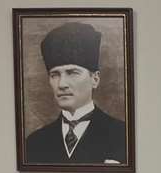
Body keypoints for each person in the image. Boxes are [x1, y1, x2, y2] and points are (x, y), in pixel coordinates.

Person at [24, 21, 127, 164]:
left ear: (95, 79)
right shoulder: (34, 143)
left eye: (72, 73)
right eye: (55, 75)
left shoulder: (122, 135)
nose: (62, 84)